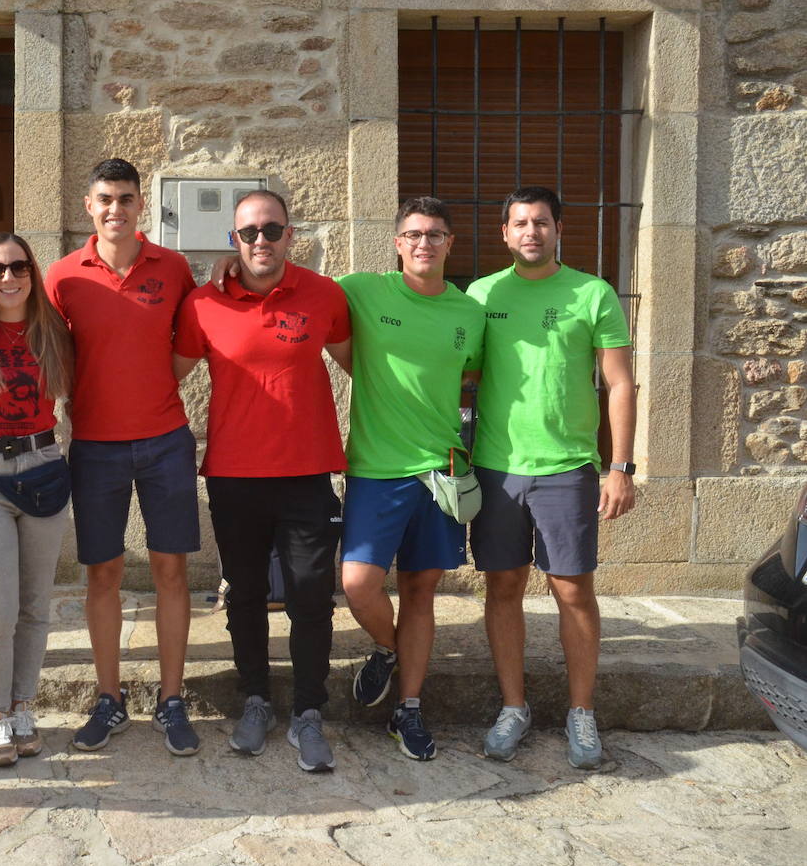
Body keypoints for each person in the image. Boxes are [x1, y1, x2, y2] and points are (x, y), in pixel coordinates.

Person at [174, 191, 350, 772]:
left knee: (310, 596)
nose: (260, 241)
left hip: (306, 474)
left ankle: (307, 712)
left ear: (290, 235)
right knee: (245, 593)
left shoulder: (324, 296)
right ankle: (255, 700)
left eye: (271, 230)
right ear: (233, 240)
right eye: (248, 232)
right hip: (233, 476)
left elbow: (366, 366)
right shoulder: (202, 304)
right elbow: (163, 375)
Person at [469, 186, 636, 769]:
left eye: (541, 222)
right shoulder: (481, 293)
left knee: (572, 590)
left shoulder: (592, 293)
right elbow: (455, 371)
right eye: (520, 223)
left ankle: (581, 713)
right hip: (496, 467)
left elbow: (618, 384)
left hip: (568, 468)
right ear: (505, 234)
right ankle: (514, 707)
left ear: (559, 228)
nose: (531, 232)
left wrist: (619, 466)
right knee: (504, 587)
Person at [44, 158, 202, 756]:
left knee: (171, 571)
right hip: (95, 446)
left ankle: (171, 698)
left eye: (127, 199)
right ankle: (109, 698)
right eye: (106, 199)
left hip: (165, 441)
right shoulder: (62, 277)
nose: (116, 209)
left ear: (142, 205)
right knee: (102, 573)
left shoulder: (174, 267)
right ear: (89, 206)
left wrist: (159, 384)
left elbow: (193, 335)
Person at [338, 197, 484, 761]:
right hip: (376, 471)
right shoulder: (363, 290)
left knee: (422, 593)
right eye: (414, 234)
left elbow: (469, 375)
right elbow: (291, 285)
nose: (425, 243)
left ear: (451, 243)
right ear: (397, 242)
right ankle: (386, 647)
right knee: (358, 584)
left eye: (436, 234)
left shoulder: (468, 312)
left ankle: (410, 709)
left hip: (442, 471)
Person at [0, 233, 74, 766]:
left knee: (35, 606)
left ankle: (25, 706)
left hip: (43, 468)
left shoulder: (54, 331)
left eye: (19, 266)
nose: (8, 277)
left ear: (32, 271)